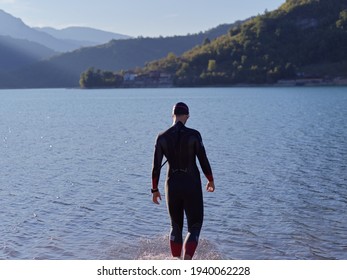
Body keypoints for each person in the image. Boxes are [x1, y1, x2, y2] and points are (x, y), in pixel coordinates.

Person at [151, 102, 215, 260]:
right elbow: (203, 160)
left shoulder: (162, 137)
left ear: (172, 115)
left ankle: (175, 264)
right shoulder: (194, 135)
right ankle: (186, 264)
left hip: (171, 184)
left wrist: (154, 190)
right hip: (191, 183)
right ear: (187, 116)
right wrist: (210, 180)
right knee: (194, 226)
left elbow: (156, 167)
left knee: (175, 226)